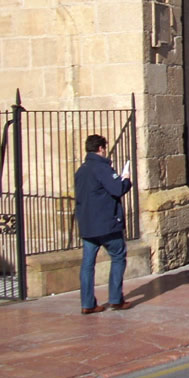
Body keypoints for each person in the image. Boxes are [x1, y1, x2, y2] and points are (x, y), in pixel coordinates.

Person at [75, 134, 133, 314]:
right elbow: (117, 189)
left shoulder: (81, 170)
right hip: (106, 223)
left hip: (87, 224)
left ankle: (87, 303)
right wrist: (125, 179)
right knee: (118, 256)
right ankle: (116, 298)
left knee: (87, 264)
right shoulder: (102, 168)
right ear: (101, 148)